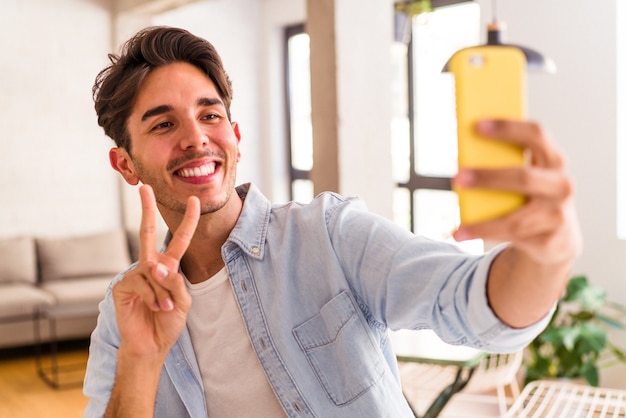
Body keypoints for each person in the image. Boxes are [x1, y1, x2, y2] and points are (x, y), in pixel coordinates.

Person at [83, 26, 582, 418]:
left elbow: (471, 304)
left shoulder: (328, 234)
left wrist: (546, 255)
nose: (196, 138)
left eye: (210, 115)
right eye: (164, 124)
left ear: (235, 135)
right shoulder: (124, 311)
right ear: (125, 164)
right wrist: (141, 362)